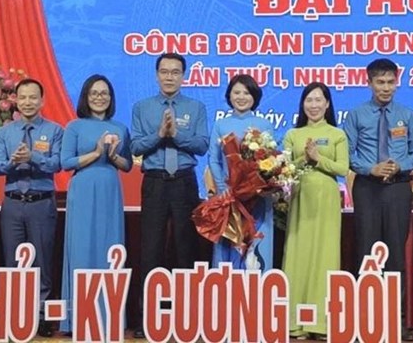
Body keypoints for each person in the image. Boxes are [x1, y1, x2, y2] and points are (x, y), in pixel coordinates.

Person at [342, 58, 413, 342]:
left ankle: (396, 321)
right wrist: (369, 168)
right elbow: (348, 154)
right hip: (367, 188)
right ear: (369, 82)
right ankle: (364, 319)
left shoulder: (407, 115)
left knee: (396, 255)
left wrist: (400, 165)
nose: (385, 88)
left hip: (399, 188)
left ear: (397, 82)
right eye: (380, 82)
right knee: (366, 252)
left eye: (390, 82)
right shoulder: (356, 115)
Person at [131, 53, 209, 339]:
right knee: (150, 250)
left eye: (175, 72)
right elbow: (136, 146)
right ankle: (146, 320)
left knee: (186, 249)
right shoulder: (142, 107)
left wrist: (176, 135)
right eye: (164, 72)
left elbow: (201, 145)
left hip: (184, 183)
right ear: (156, 75)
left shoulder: (196, 107)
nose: (169, 77)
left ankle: (186, 318)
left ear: (184, 76)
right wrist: (160, 134)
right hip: (154, 182)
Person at [0, 78, 63, 338]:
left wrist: (34, 157)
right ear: (16, 101)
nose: (28, 102)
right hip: (12, 205)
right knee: (12, 261)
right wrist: (12, 162)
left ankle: (42, 316)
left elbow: (57, 163)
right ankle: (15, 313)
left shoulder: (54, 131)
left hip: (41, 203)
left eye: (33, 97)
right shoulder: (4, 132)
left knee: (42, 260)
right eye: (23, 97)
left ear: (42, 101)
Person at [59, 74, 132, 333]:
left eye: (105, 93)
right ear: (86, 97)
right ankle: (77, 317)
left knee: (109, 248)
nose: (100, 97)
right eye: (94, 93)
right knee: (81, 246)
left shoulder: (121, 127)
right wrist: (96, 153)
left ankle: (107, 314)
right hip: (83, 190)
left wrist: (113, 156)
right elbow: (66, 162)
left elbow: (128, 165)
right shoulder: (74, 126)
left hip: (110, 190)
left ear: (111, 98)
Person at [282, 82, 349, 339]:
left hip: (327, 199)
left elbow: (343, 168)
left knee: (325, 254)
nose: (314, 105)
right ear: (303, 104)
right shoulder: (292, 134)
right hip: (300, 198)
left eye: (319, 100)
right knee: (297, 254)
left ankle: (320, 323)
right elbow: (284, 168)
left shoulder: (337, 134)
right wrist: (304, 158)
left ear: (328, 104)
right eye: (309, 100)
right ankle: (294, 321)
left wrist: (318, 159)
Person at [208, 74, 274, 270]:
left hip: (258, 199)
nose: (241, 97)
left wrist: (260, 185)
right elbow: (213, 159)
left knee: (256, 247)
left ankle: (258, 292)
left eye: (246, 92)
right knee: (228, 247)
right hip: (230, 197)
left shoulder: (264, 125)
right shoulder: (221, 124)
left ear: (255, 96)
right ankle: (225, 291)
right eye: (236, 92)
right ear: (229, 96)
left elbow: (270, 161)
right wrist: (223, 188)